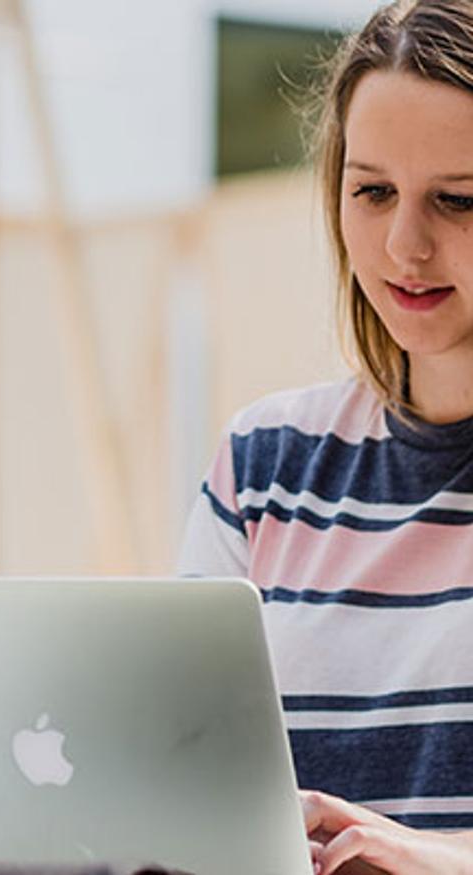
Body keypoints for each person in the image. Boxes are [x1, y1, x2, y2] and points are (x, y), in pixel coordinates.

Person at [178, 2, 473, 872]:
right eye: (372, 190)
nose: (404, 244)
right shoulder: (263, 462)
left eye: (458, 200)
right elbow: (176, 769)